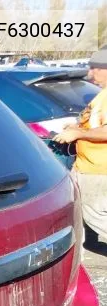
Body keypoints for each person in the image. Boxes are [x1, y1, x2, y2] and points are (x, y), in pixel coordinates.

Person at [53, 48, 107, 248]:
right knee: (83, 209)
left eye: (95, 68)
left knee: (94, 214)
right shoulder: (101, 96)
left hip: (98, 169)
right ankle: (87, 245)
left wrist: (79, 134)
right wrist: (77, 127)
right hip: (86, 165)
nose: (90, 73)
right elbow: (95, 124)